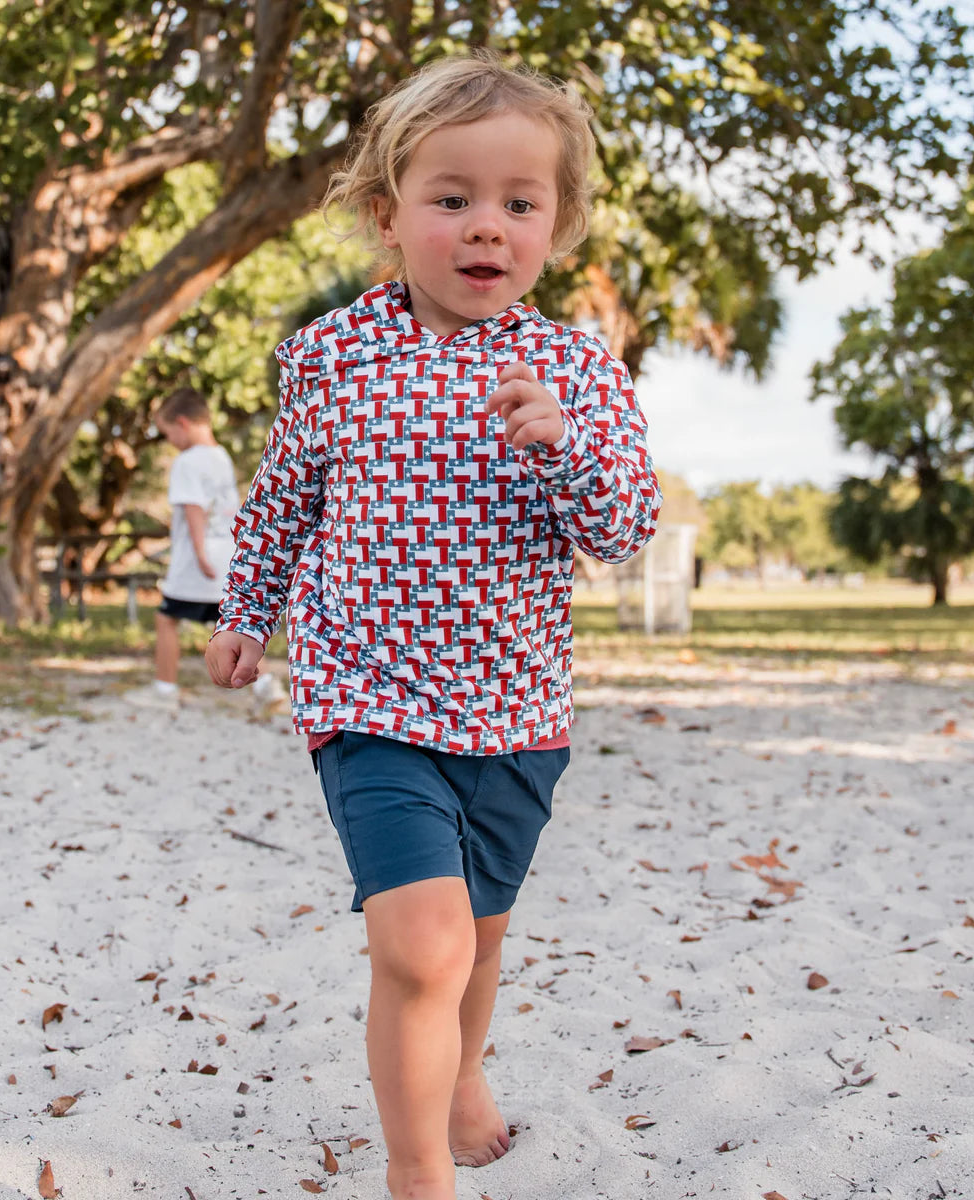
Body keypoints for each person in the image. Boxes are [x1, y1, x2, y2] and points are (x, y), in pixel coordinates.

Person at [206, 52, 662, 1200]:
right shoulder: (331, 357)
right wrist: (248, 610)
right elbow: (287, 500)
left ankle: (462, 1079)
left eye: (520, 203)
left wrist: (564, 446)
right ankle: (419, 1176)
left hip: (515, 711)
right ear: (387, 214)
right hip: (369, 699)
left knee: (482, 939)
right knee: (422, 946)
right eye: (450, 198)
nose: (486, 228)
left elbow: (621, 529)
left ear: (556, 226)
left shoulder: (578, 370)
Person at [128, 386, 281, 713]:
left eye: (167, 431)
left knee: (166, 619)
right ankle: (267, 687)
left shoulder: (187, 461)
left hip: (198, 562)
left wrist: (198, 553)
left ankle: (164, 690)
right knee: (232, 625)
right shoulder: (220, 455)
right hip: (226, 557)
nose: (168, 439)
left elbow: (194, 510)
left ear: (182, 423)